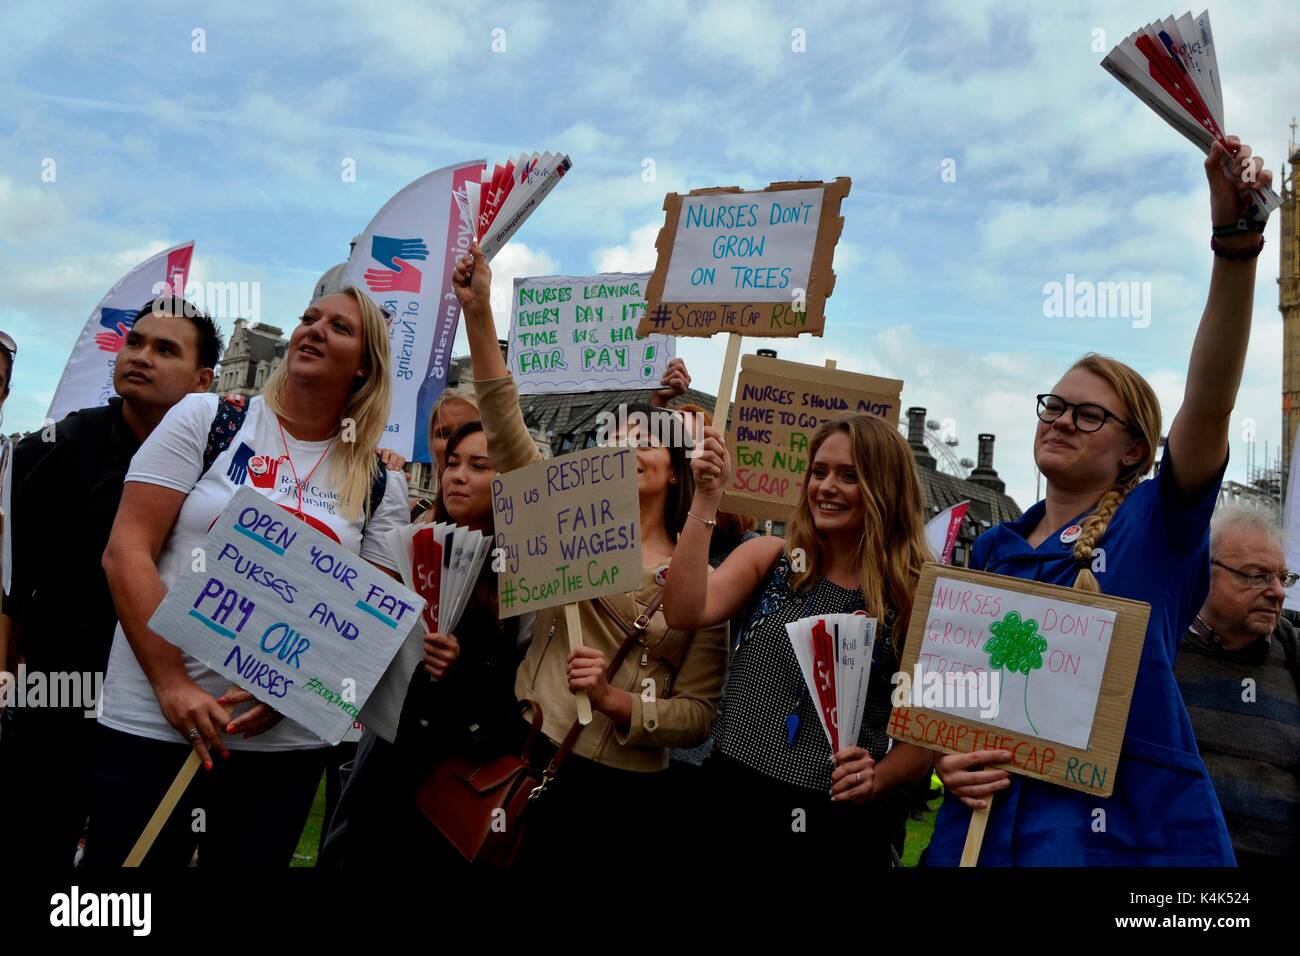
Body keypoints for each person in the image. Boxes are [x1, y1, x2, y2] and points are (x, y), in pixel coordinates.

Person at [928, 136, 1273, 866]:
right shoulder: (992, 549)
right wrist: (947, 759)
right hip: (985, 839)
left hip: (1113, 847)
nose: (1060, 419)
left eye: (1089, 415)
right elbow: (962, 705)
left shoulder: (1158, 527)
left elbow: (1209, 405)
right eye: (1055, 404)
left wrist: (1234, 249)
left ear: (1134, 452)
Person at [87, 287, 410, 867]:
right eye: (308, 317)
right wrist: (172, 686)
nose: (312, 329)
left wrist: (292, 697)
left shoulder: (385, 484)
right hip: (155, 723)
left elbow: (365, 624)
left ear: (365, 364)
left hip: (282, 745)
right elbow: (127, 551)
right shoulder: (205, 417)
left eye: (338, 327)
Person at [452, 241, 728, 861]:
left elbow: (699, 713)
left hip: (625, 795)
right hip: (529, 751)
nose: (633, 442)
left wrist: (619, 702)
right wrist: (480, 313)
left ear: (678, 470)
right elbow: (505, 427)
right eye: (624, 434)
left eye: (650, 437)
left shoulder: (701, 581)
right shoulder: (566, 522)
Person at [0, 300, 220, 867]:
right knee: (34, 837)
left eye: (164, 349)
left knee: (141, 854)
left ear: (203, 381)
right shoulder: (57, 447)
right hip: (58, 688)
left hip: (158, 697)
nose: (140, 357)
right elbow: (9, 579)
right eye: (135, 343)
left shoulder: (221, 465)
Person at [664, 415, 935, 866]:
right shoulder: (771, 558)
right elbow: (685, 610)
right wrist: (708, 499)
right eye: (819, 471)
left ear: (884, 486)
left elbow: (920, 745)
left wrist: (878, 776)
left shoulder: (911, 602)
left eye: (850, 475)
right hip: (728, 799)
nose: (826, 486)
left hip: (831, 822)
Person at [331, 420, 532, 866]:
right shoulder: (410, 546)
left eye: (480, 466)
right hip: (388, 760)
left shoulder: (525, 575)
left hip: (455, 778)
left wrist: (463, 668)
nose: (457, 475)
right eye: (453, 462)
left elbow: (522, 697)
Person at [1175, 506, 1299, 864]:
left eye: (1283, 578)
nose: (1277, 592)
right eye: (1257, 577)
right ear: (1203, 571)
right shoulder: (1158, 651)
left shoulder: (1292, 655)